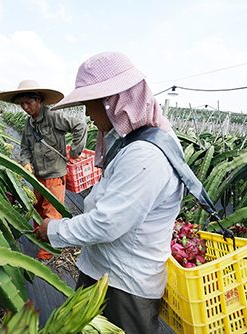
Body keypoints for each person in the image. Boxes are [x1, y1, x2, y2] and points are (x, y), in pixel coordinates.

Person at [35, 52, 184, 333]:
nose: (88, 115)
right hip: (107, 272)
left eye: (90, 105)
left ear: (111, 102)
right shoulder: (137, 141)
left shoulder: (145, 154)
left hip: (123, 285)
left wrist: (53, 231)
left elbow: (108, 223)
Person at [0, 80, 87, 260]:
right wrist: (26, 162)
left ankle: (47, 253)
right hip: (37, 175)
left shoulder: (53, 116)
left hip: (55, 174)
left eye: (28, 102)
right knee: (36, 208)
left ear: (39, 100)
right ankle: (39, 236)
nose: (25, 107)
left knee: (52, 213)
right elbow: (25, 147)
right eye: (22, 104)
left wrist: (75, 152)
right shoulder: (29, 123)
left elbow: (80, 126)